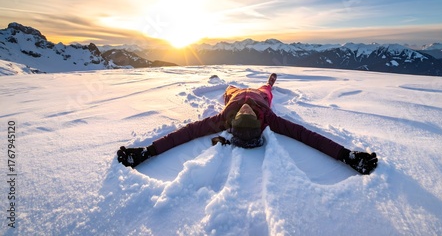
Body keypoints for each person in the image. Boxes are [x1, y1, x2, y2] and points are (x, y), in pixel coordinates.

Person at [117, 73, 378, 175]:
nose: (245, 108)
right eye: (247, 112)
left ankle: (253, 83)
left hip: (234, 91)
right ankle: (270, 81)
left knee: (230, 89)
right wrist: (348, 156)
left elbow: (185, 134)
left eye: (244, 112)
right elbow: (306, 135)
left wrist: (147, 152)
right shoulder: (267, 116)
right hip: (262, 93)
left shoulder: (223, 117)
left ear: (234, 120)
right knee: (266, 88)